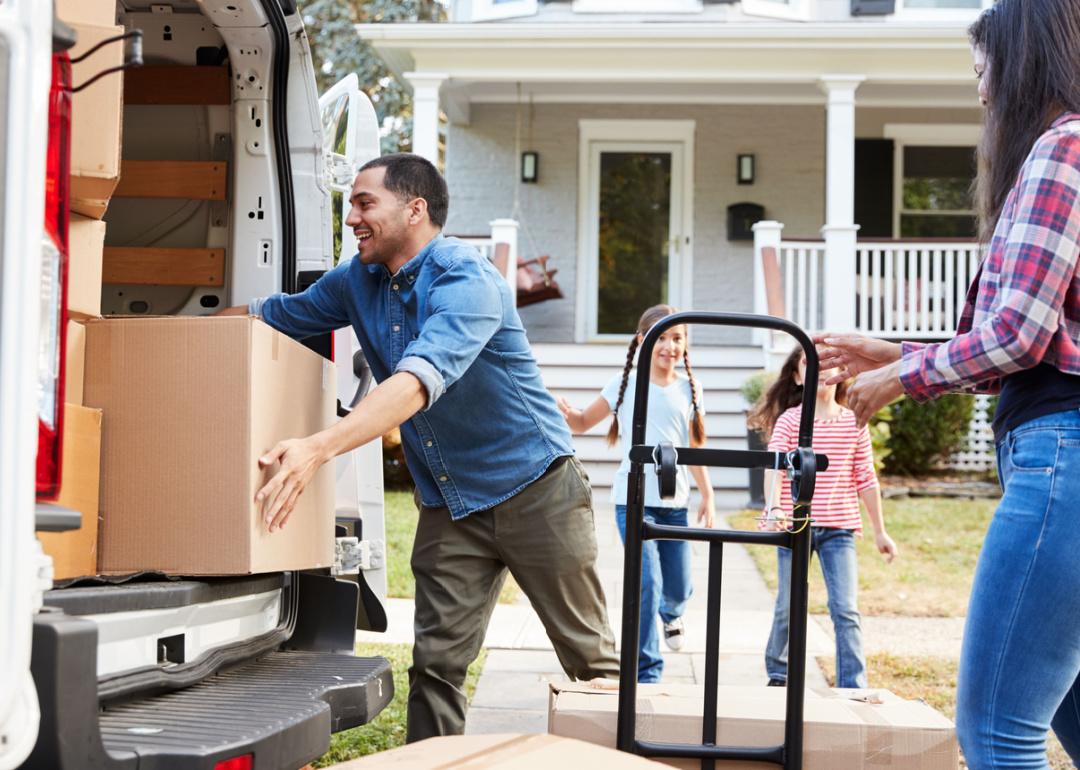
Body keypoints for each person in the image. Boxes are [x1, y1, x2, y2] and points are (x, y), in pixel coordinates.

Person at [220, 153, 620, 741]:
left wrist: (318, 447)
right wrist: (168, 332)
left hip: (537, 489)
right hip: (451, 504)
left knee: (590, 663)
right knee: (436, 667)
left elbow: (415, 383)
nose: (351, 217)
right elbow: (272, 317)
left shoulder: (465, 278)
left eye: (363, 203)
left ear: (415, 209)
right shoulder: (357, 279)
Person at [815, 0, 1080, 765]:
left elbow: (1020, 338)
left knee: (999, 731)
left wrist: (902, 379)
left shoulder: (1061, 151)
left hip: (1063, 463)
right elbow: (1039, 337)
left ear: (1022, 63)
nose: (981, 92)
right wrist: (895, 350)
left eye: (983, 70)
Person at [556, 304, 715, 683]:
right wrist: (563, 410)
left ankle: (672, 614)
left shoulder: (690, 388)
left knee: (678, 585)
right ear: (643, 341)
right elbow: (581, 422)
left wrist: (707, 494)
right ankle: (648, 672)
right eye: (661, 337)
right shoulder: (623, 384)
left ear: (685, 345)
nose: (669, 346)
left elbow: (694, 444)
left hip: (675, 503)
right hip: (634, 500)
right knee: (647, 582)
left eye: (677, 338)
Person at [749, 346, 897, 689]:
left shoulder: (853, 422)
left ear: (842, 375)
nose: (821, 370)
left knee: (845, 609)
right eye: (810, 363)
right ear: (799, 377)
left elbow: (866, 478)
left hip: (838, 528)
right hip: (793, 526)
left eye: (830, 363)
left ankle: (852, 684)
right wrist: (774, 509)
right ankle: (778, 672)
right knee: (788, 604)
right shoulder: (789, 421)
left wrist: (880, 532)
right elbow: (775, 470)